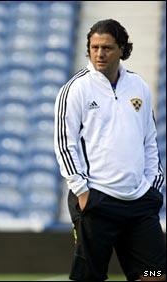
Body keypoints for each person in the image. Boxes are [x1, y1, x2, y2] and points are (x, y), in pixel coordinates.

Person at [54, 19, 165, 281]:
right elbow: (63, 143)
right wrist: (82, 192)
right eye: (94, 47)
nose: (100, 54)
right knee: (90, 277)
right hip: (97, 203)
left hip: (138, 203)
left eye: (107, 47)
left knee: (155, 274)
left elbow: (149, 140)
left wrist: (152, 185)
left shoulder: (138, 86)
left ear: (122, 49)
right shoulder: (76, 89)